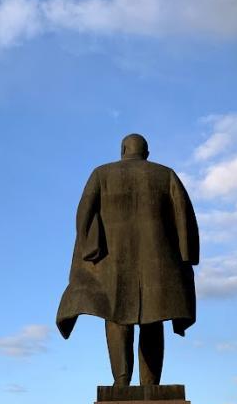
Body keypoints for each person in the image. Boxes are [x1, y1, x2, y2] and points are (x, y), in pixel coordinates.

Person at [56, 134, 200, 385]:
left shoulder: (101, 174)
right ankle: (151, 384)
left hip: (112, 262)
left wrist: (90, 249)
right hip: (158, 264)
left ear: (123, 150)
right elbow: (184, 216)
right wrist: (187, 256)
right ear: (147, 153)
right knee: (153, 319)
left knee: (116, 318)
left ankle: (121, 382)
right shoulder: (166, 175)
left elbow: (84, 214)